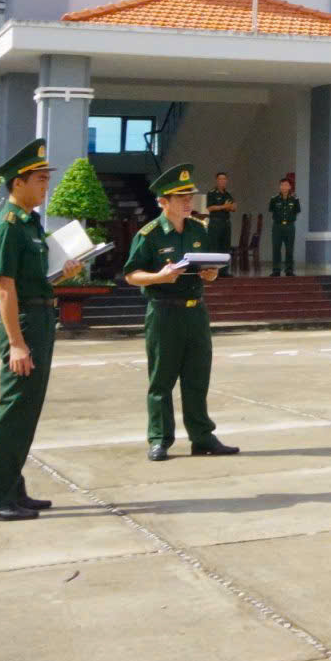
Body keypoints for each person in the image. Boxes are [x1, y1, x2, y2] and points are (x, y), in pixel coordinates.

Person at [0, 140, 79, 521]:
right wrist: (17, 343)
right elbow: (5, 288)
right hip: (24, 326)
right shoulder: (7, 227)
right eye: (39, 179)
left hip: (40, 319)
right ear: (18, 183)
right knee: (14, 409)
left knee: (27, 410)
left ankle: (12, 489)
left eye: (46, 179)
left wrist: (64, 274)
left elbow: (36, 280)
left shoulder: (32, 224)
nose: (45, 186)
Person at [124, 164, 238, 461]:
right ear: (163, 201)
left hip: (195, 312)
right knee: (162, 380)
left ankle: (202, 437)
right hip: (164, 313)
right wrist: (158, 277)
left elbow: (207, 272)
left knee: (197, 377)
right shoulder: (149, 235)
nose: (188, 202)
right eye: (181, 197)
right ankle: (160, 439)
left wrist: (211, 275)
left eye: (190, 196)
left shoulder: (199, 229)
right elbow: (131, 275)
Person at [266, 175, 301, 277]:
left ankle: (289, 270)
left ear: (290, 187)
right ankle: (276, 270)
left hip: (289, 226)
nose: (284, 187)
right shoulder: (274, 199)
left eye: (286, 185)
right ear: (279, 187)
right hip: (277, 226)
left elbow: (296, 211)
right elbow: (271, 210)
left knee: (289, 249)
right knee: (276, 248)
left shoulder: (294, 199)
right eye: (282, 185)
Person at [205, 171, 237, 276]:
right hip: (215, 223)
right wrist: (223, 207)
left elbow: (234, 207)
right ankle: (214, 272)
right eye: (220, 179)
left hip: (226, 223)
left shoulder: (228, 194)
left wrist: (231, 207)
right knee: (214, 247)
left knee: (225, 247)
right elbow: (210, 208)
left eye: (224, 179)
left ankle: (224, 271)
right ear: (216, 180)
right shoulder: (212, 193)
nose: (222, 181)